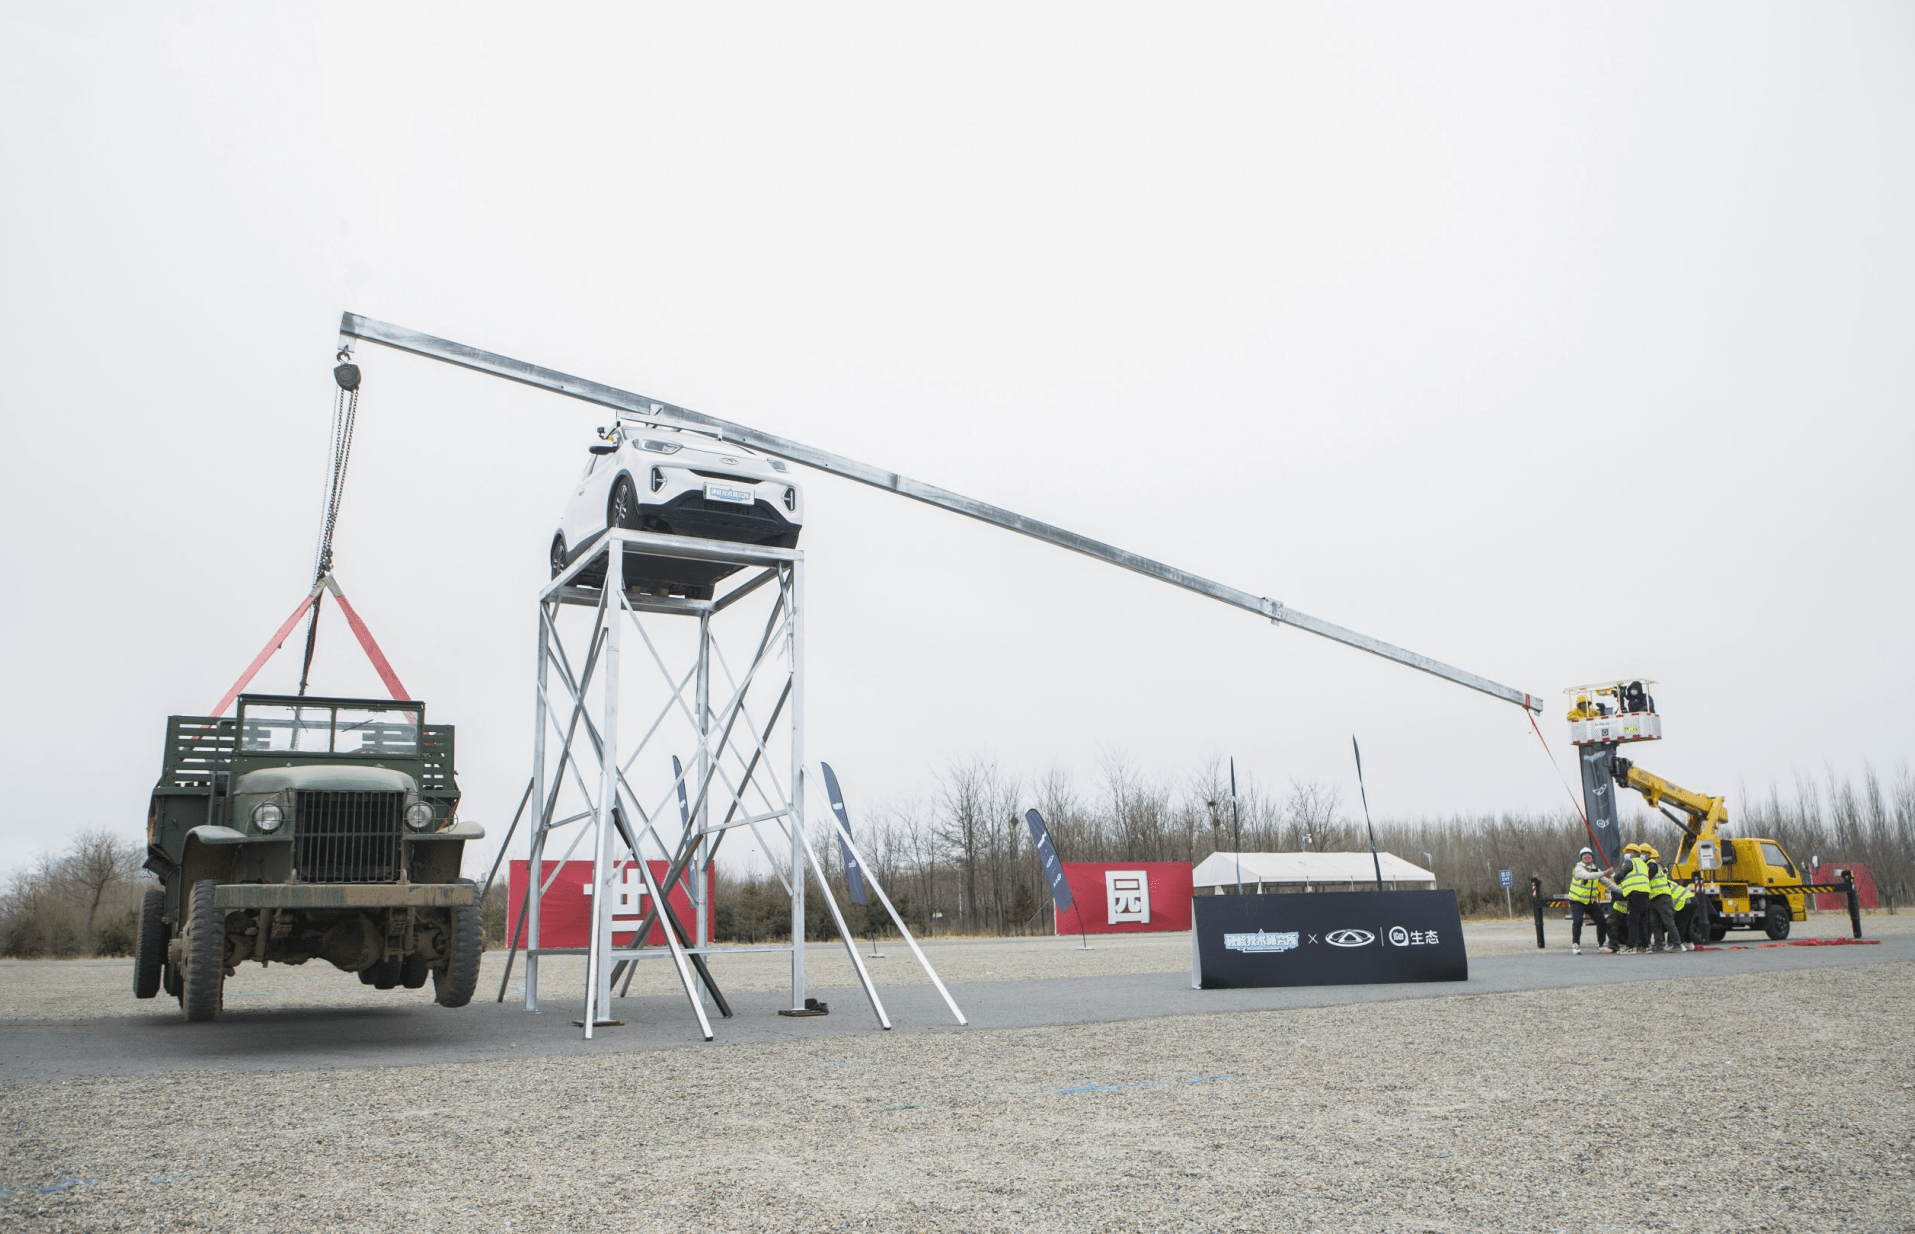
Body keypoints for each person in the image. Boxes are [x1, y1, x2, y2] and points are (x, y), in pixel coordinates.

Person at [1603, 844, 1653, 954]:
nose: (1626, 855)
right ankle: (1645, 946)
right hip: (1645, 894)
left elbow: (1621, 875)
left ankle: (1631, 947)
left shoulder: (1632, 862)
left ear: (1634, 853)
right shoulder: (1643, 865)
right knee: (1642, 921)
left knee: (1633, 921)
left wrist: (1616, 878)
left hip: (1635, 893)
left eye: (1628, 852)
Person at [1566, 847, 1608, 954]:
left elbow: (1608, 883)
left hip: (1590, 902)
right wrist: (1604, 873)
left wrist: (1621, 890)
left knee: (1601, 920)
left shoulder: (1597, 871)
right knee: (1578, 921)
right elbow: (1587, 876)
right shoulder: (1578, 869)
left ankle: (1601, 944)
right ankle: (1575, 945)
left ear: (1593, 858)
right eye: (1584, 855)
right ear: (1581, 858)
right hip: (1577, 901)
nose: (1587, 857)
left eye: (1589, 855)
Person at [1643, 846, 1680, 953]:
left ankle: (1677, 944)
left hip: (1662, 897)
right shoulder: (1652, 866)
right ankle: (1658, 944)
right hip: (1654, 898)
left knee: (1668, 922)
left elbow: (1648, 878)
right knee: (1655, 923)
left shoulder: (1653, 866)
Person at [1670, 875, 1699, 951]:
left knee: (1680, 924)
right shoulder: (1670, 883)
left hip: (1685, 902)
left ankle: (1680, 944)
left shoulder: (1661, 886)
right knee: (1688, 924)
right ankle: (1688, 943)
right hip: (1693, 900)